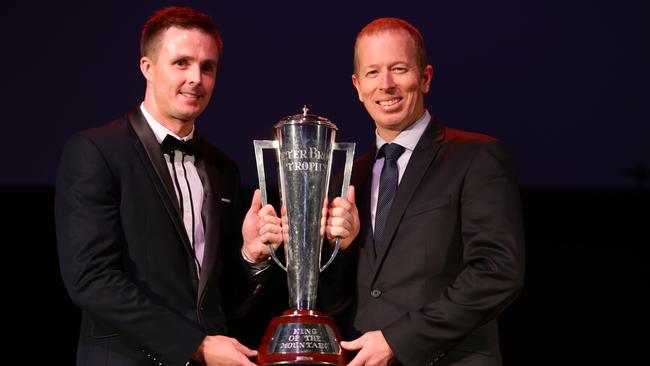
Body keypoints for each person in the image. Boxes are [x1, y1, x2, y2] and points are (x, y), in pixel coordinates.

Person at [55, 6, 267, 366]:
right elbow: (91, 279)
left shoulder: (223, 168)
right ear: (147, 68)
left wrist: (249, 256)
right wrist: (194, 345)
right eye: (181, 63)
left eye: (207, 67)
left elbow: (217, 294)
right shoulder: (96, 151)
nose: (196, 79)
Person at [318, 18, 526, 366]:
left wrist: (399, 340)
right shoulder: (347, 177)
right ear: (357, 85)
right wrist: (339, 250)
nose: (386, 85)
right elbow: (338, 297)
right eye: (373, 73)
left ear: (425, 77)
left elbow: (497, 271)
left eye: (399, 69)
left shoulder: (476, 156)